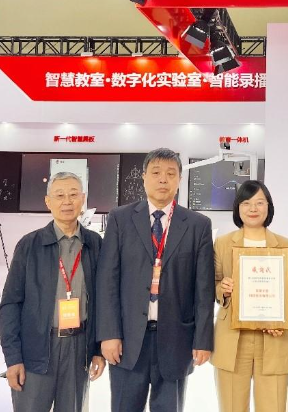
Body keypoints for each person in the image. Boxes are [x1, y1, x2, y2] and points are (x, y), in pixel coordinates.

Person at [96, 148, 215, 412]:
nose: (163, 179)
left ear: (179, 179)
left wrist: (203, 339)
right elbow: (107, 281)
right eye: (156, 172)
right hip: (127, 340)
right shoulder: (120, 218)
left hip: (176, 339)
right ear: (144, 177)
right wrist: (109, 334)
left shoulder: (198, 225)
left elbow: (204, 288)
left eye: (171, 173)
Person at [0, 172, 106, 412]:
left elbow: (103, 302)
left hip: (79, 350)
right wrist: (13, 358)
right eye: (59, 195)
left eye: (73, 194)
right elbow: (10, 305)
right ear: (48, 202)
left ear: (83, 199)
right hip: (37, 349)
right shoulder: (30, 245)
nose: (67, 201)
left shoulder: (95, 244)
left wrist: (98, 350)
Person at [210, 180, 288, 412]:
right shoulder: (222, 244)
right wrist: (222, 288)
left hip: (274, 338)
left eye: (260, 203)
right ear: (238, 208)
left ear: (268, 207)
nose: (253, 208)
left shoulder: (285, 245)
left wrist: (281, 317)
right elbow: (212, 284)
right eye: (246, 203)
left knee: (272, 406)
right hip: (233, 339)